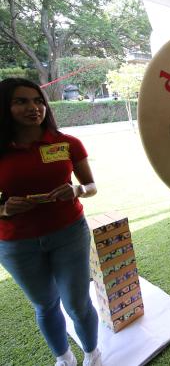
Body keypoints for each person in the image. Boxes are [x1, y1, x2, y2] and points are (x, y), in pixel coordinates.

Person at [0, 78, 102, 366]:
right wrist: (4, 209)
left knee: (78, 304)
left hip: (69, 234)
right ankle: (64, 358)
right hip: (15, 243)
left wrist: (77, 190)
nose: (34, 107)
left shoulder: (67, 143)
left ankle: (92, 353)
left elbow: (91, 186)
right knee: (45, 305)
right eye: (21, 101)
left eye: (38, 101)